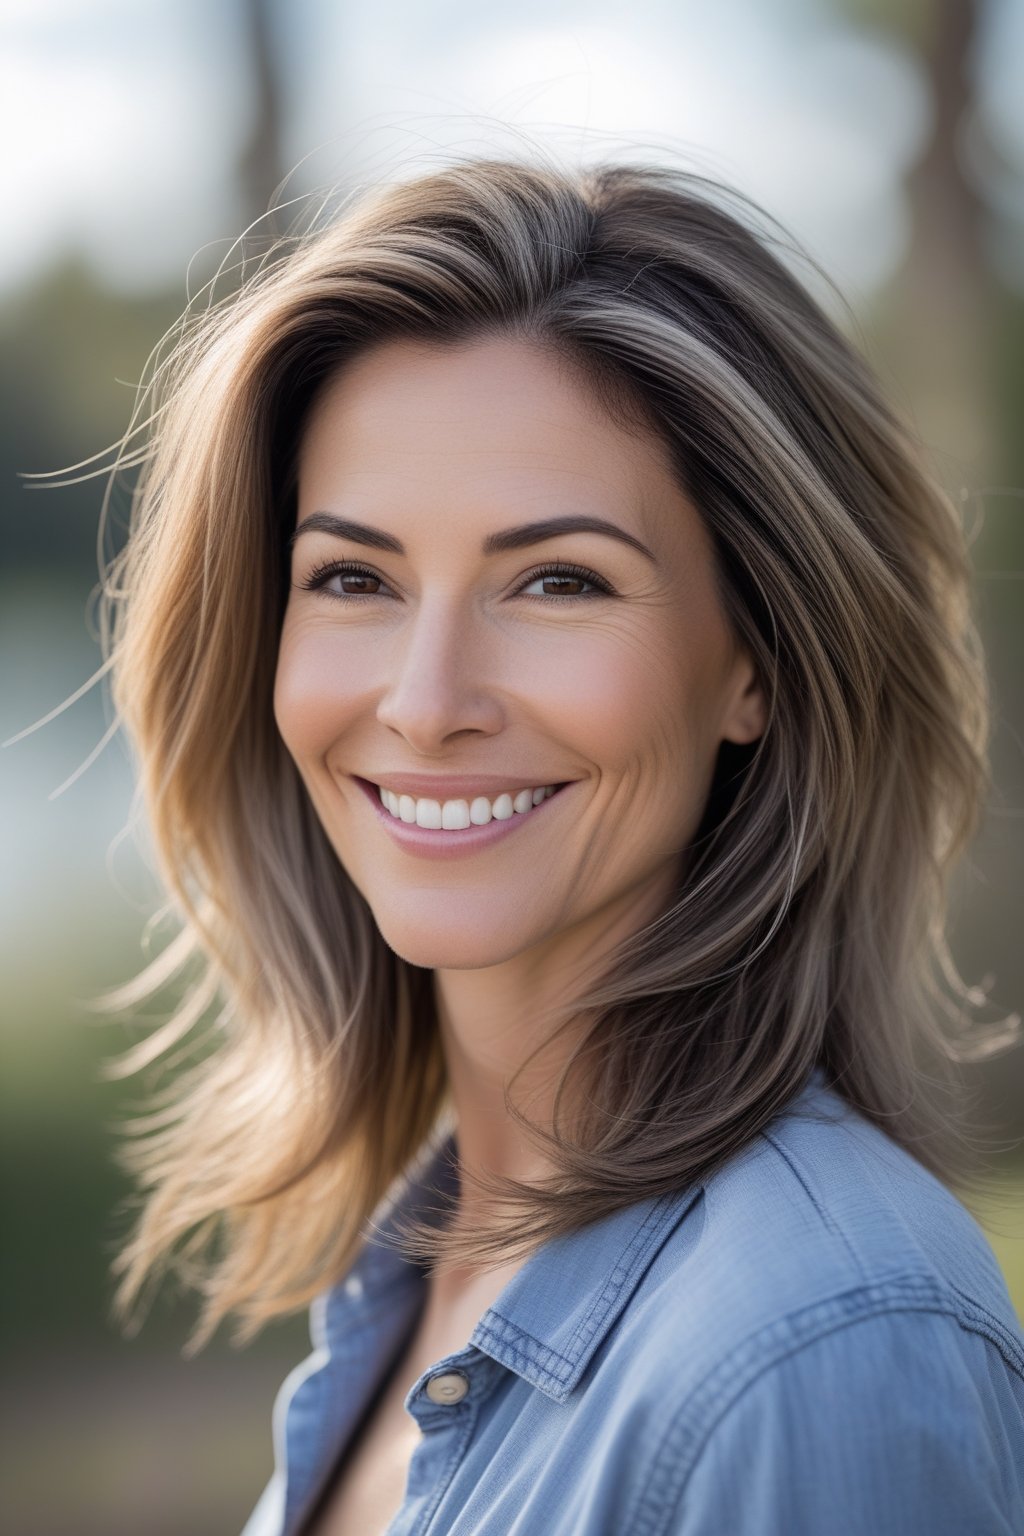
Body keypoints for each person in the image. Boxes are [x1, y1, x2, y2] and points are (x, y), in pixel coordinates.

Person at [95, 154, 1024, 1535]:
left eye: (558, 580)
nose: (424, 701)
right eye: (353, 577)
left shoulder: (823, 1347)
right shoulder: (423, 1272)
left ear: (756, 662)